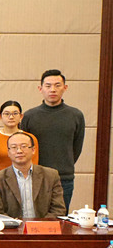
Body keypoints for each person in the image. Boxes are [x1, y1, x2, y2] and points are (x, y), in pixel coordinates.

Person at [21, 69, 84, 210]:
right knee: (33, 217)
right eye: (48, 86)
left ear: (65, 87)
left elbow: (76, 147)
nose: (53, 89)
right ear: (40, 89)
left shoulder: (75, 115)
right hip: (35, 176)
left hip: (64, 178)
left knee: (60, 218)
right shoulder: (29, 116)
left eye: (57, 85)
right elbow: (24, 147)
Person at [0, 132, 65, 219]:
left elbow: (58, 210)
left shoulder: (51, 176)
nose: (19, 151)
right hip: (12, 227)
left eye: (24, 146)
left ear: (33, 150)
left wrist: (38, 225)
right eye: (14, 147)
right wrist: (17, 225)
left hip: (43, 226)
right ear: (8, 152)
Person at [0, 100, 39, 174]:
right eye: (7, 114)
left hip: (24, 177)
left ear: (21, 116)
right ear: (0, 117)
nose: (11, 117)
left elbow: (34, 165)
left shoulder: (30, 138)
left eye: (15, 113)